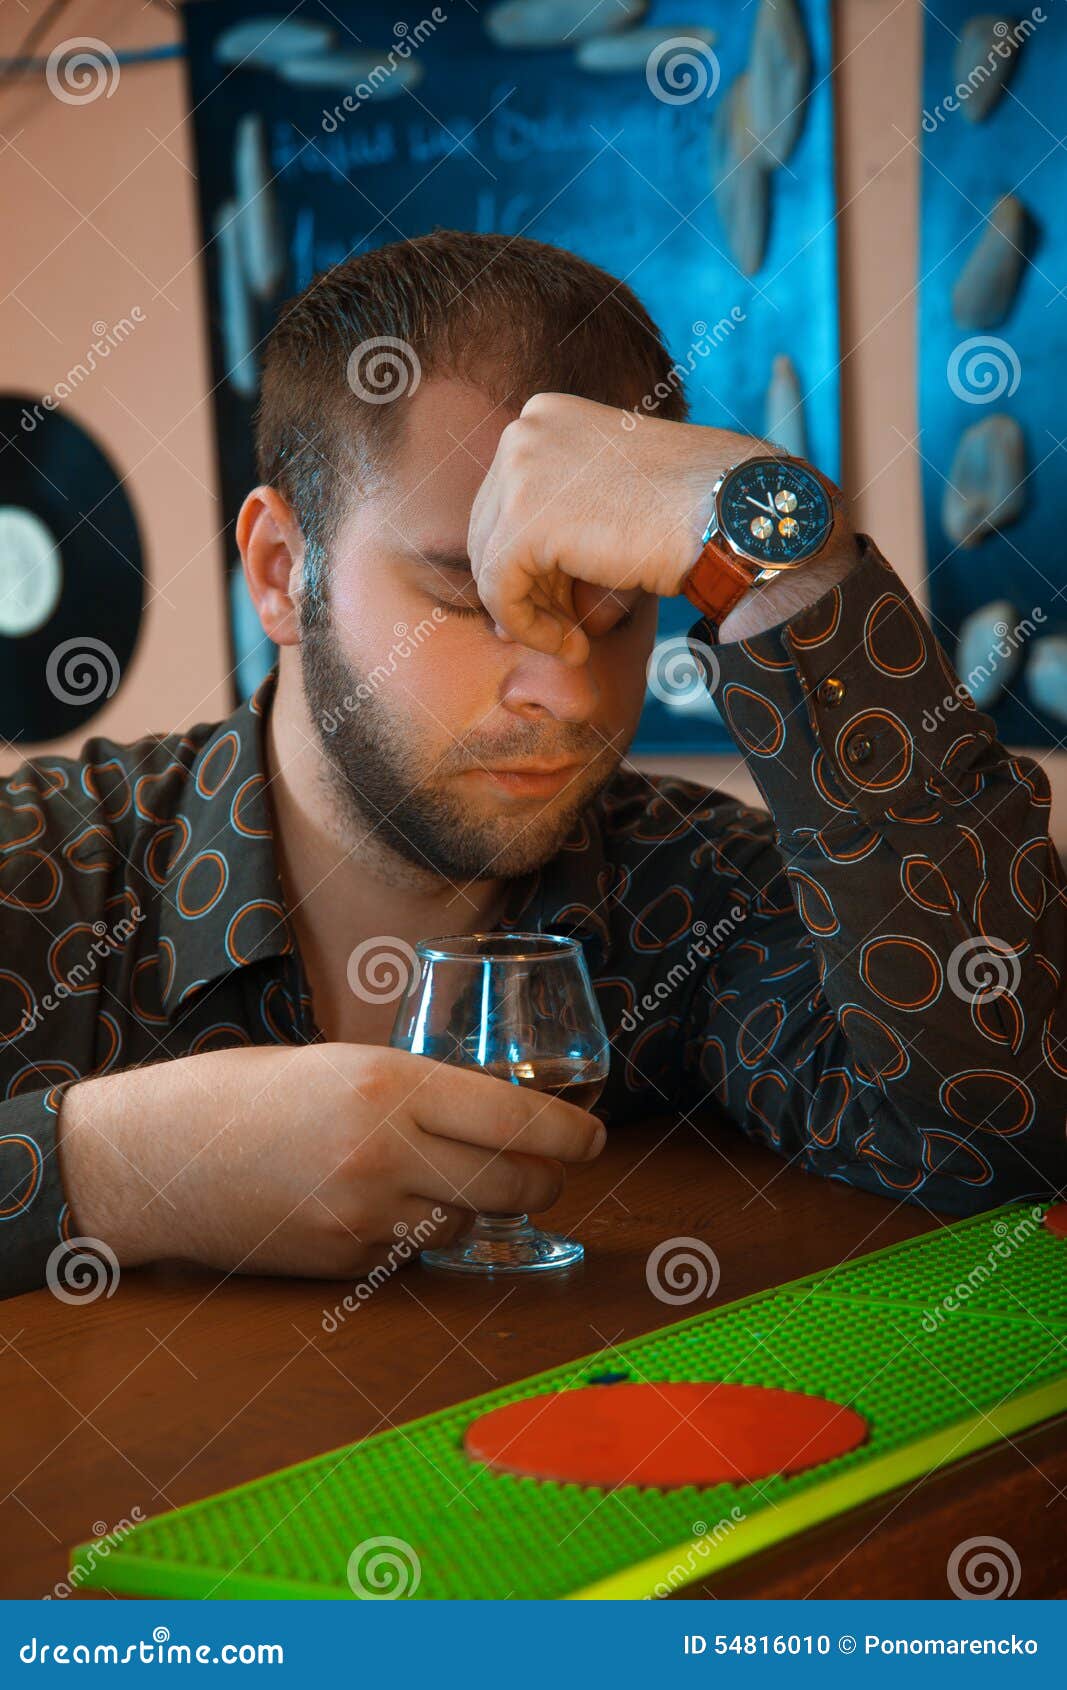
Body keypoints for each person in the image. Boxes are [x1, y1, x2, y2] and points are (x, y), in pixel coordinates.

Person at [1, 231, 1062, 1300]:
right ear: (283, 573)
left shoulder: (695, 897)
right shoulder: (39, 870)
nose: (566, 690)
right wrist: (121, 1168)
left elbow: (1016, 1123)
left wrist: (776, 539)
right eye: (465, 596)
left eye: (615, 609)